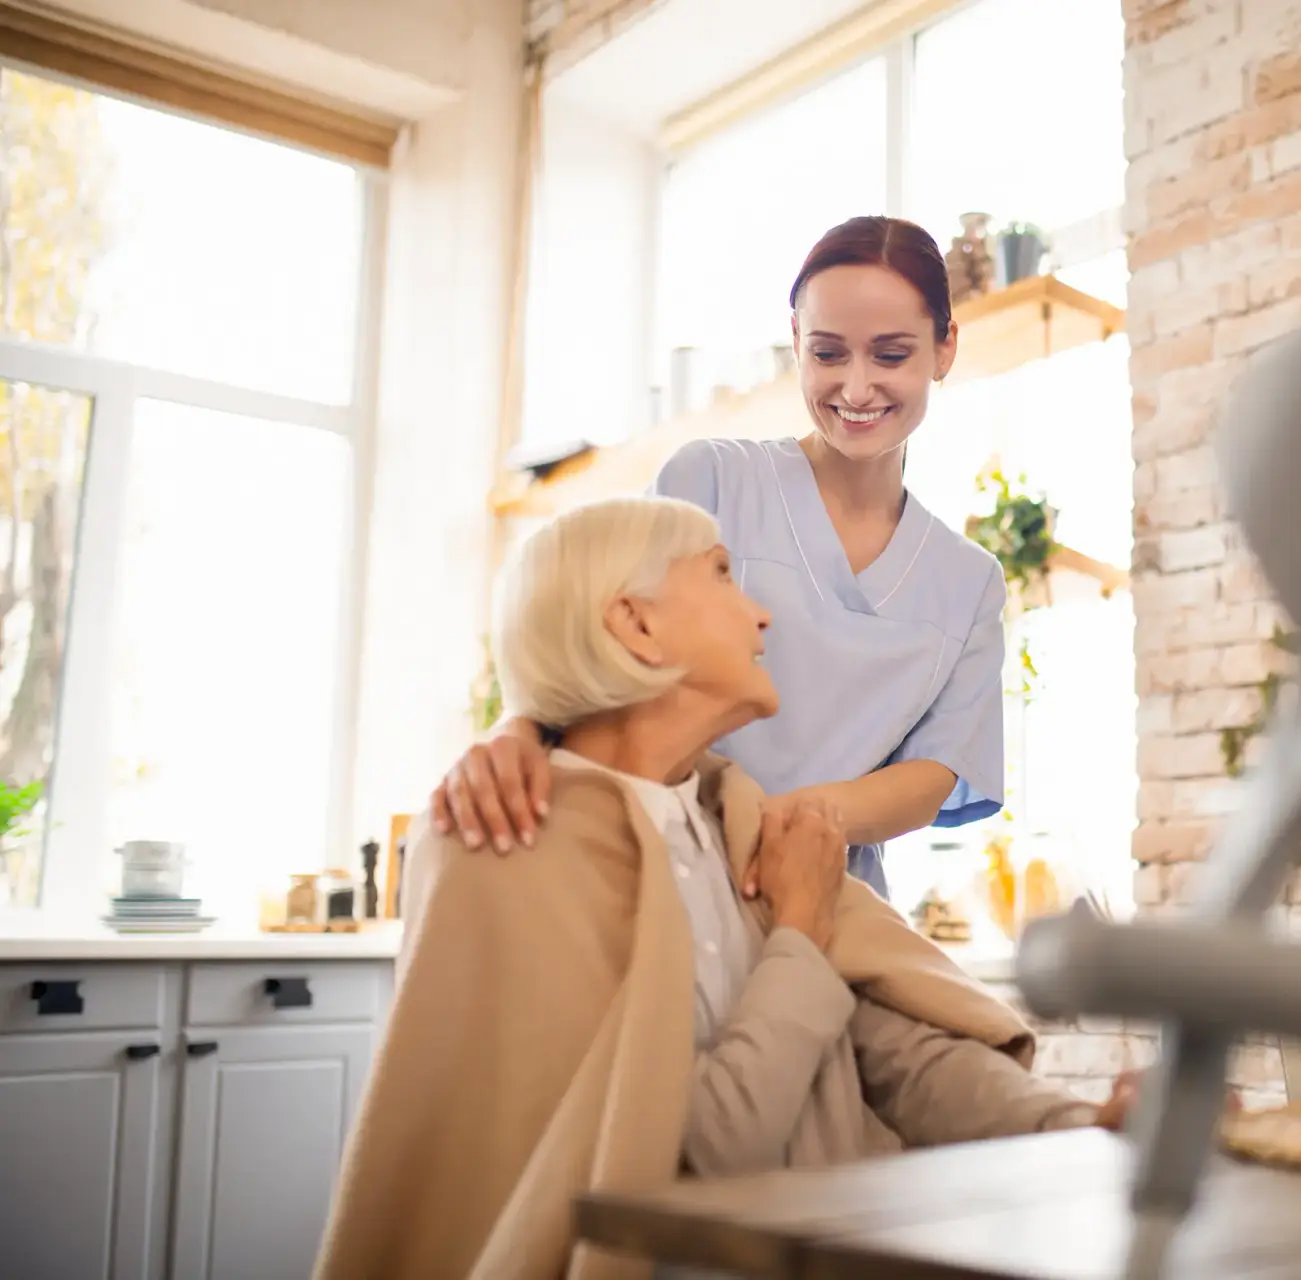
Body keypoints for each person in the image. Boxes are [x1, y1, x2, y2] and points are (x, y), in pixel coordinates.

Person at [316, 496, 1134, 1280]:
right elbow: (701, 1157)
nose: (762, 614)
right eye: (720, 575)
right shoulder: (508, 851)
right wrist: (802, 930)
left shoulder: (733, 822)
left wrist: (1088, 1127)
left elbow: (901, 1055)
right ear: (635, 622)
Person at [430, 215, 1006, 897]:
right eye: (827, 354)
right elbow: (588, 633)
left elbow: (931, 776)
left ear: (944, 350)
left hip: (822, 898)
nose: (855, 388)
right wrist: (514, 732)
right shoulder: (709, 482)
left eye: (890, 355)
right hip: (657, 867)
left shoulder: (968, 585)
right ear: (797, 343)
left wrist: (779, 827)